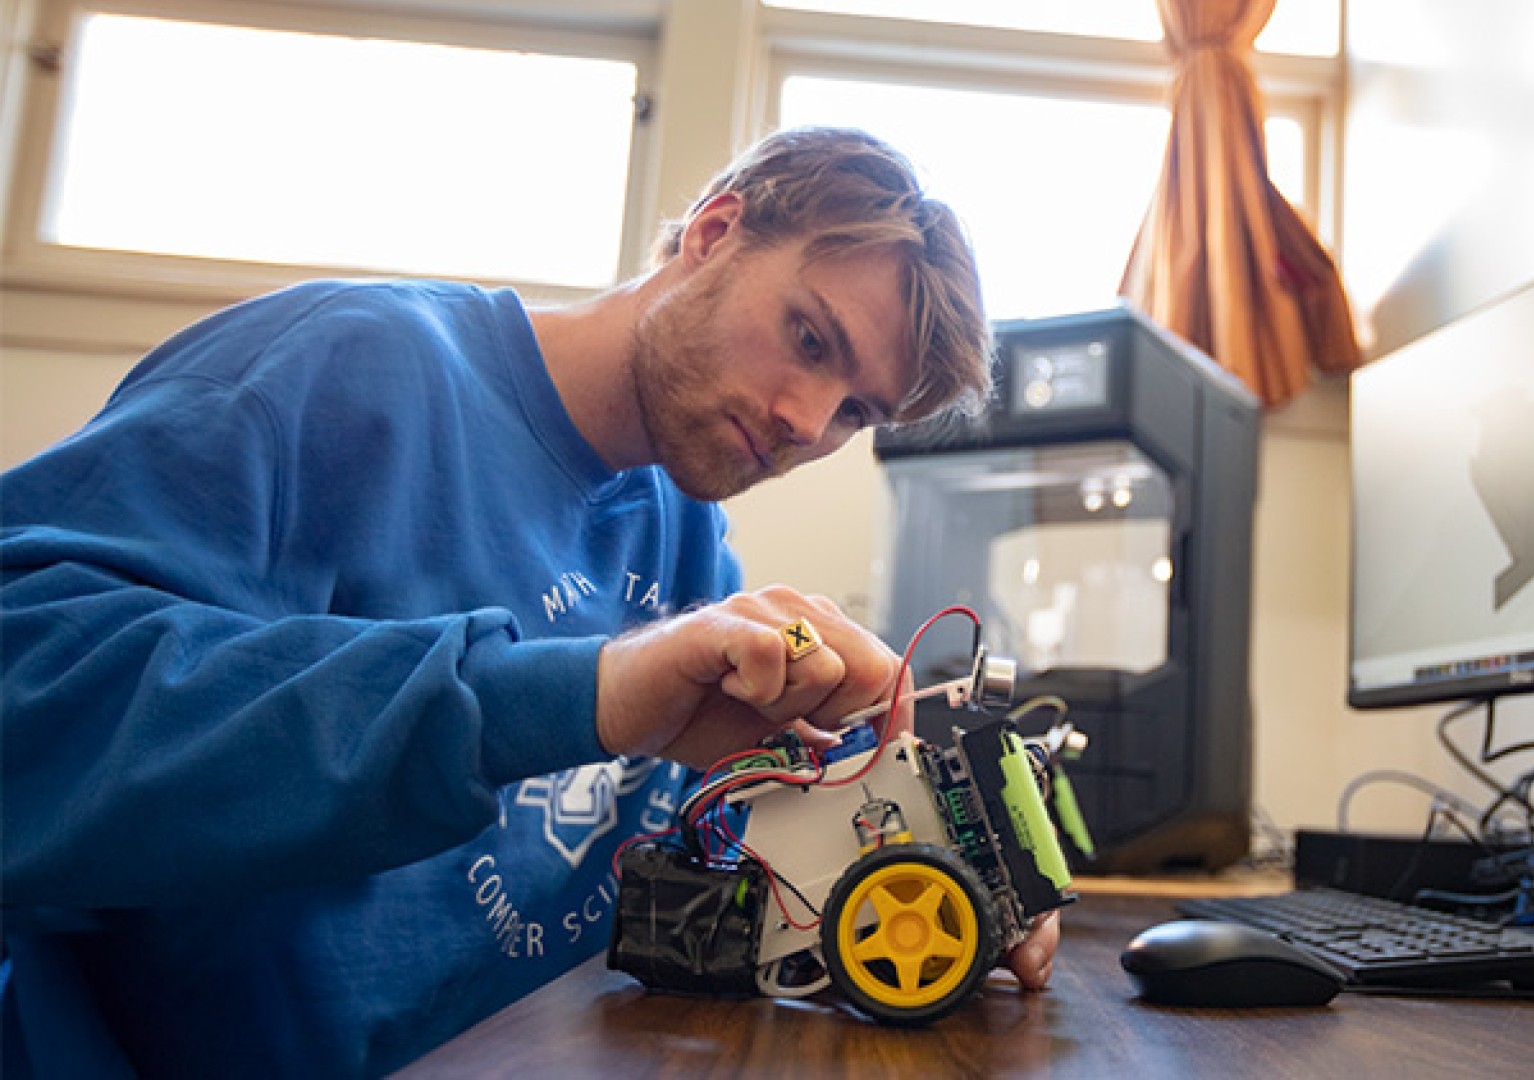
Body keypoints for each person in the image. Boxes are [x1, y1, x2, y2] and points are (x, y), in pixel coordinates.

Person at [0, 126, 1059, 1077]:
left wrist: (879, 884)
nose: (803, 422)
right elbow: (25, 698)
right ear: (715, 230)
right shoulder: (340, 371)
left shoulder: (689, 544)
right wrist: (575, 694)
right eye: (809, 339)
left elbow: (701, 858)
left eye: (853, 414)